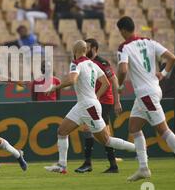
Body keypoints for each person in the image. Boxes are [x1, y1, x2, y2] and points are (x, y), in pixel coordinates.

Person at [115, 16, 175, 182]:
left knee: (163, 130)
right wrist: (163, 74)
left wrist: (120, 86)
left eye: (120, 31)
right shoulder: (149, 41)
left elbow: (123, 70)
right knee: (134, 127)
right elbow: (172, 58)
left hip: (146, 94)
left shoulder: (124, 47)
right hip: (150, 91)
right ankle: (143, 168)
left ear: (123, 30)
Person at [44, 40, 136, 174]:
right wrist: (96, 97)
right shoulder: (92, 64)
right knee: (62, 131)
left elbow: (72, 80)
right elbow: (106, 83)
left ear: (74, 51)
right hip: (84, 104)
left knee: (106, 140)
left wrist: (55, 87)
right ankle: (62, 166)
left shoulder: (76, 63)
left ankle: (138, 148)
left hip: (88, 106)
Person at [75, 38, 123, 174]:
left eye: (88, 47)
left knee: (93, 130)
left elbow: (113, 81)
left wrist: (117, 101)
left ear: (94, 48)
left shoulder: (102, 63)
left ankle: (90, 163)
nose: (85, 50)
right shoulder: (86, 63)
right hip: (93, 101)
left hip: (104, 101)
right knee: (95, 131)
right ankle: (109, 165)